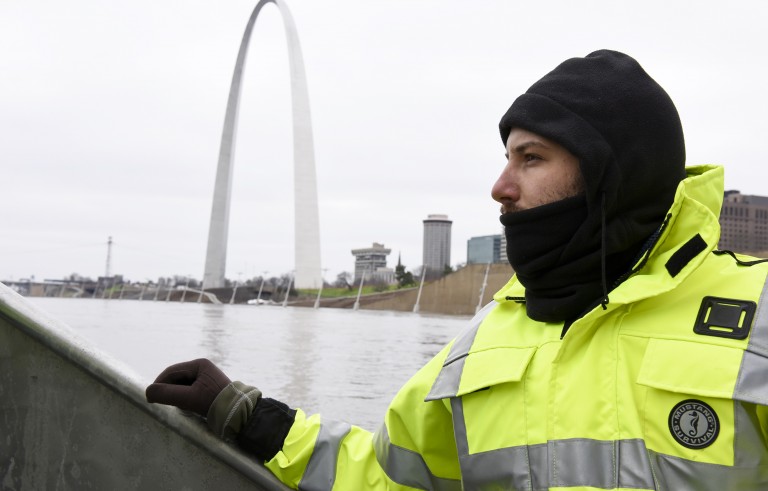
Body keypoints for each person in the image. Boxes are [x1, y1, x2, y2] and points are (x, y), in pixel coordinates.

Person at [146, 50, 768, 490]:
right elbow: (392, 479)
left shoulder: (758, 315)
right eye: (505, 159)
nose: (500, 187)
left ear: (610, 173)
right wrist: (253, 419)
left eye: (531, 158)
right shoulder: (477, 350)